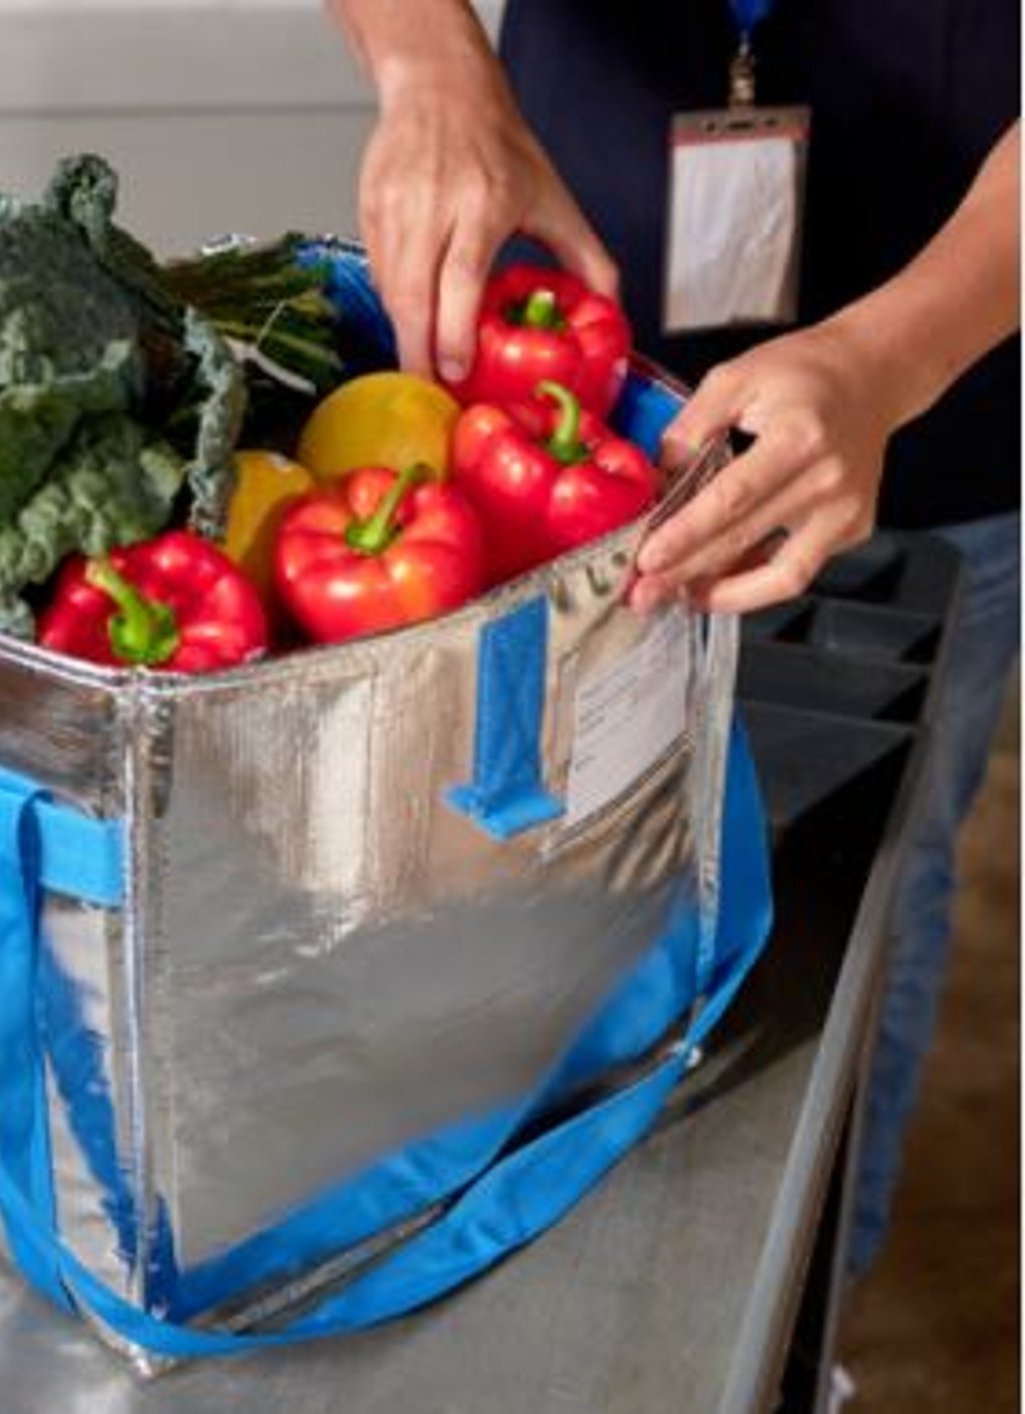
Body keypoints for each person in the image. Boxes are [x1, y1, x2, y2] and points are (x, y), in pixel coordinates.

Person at [326, 0, 1020, 1274]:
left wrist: (889, 357)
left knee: (874, 878)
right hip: (574, 303)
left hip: (954, 333)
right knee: (517, 852)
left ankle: (801, 1315)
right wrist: (427, 62)